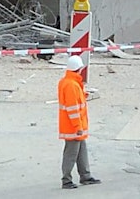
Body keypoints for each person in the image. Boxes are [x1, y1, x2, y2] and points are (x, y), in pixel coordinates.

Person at [59, 55, 101, 189]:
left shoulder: (70, 82)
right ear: (79, 68)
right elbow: (72, 108)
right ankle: (66, 180)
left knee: (81, 151)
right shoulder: (71, 85)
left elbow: (74, 101)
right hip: (73, 126)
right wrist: (78, 126)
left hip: (75, 125)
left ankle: (85, 175)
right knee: (71, 154)